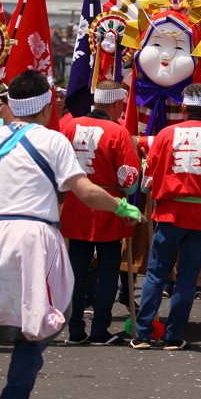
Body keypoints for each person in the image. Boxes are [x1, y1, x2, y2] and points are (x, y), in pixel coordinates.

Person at [0, 70, 141, 399]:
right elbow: (84, 191)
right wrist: (121, 206)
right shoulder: (53, 142)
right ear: (47, 104)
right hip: (36, 238)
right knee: (32, 333)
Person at [132, 83, 201, 351]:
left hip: (169, 213)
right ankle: (173, 336)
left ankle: (143, 335)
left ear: (183, 107)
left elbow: (147, 183)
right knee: (187, 280)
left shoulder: (166, 135)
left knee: (156, 275)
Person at [59, 80, 141, 346]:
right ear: (117, 103)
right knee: (108, 270)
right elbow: (128, 180)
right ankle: (100, 330)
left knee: (77, 268)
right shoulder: (118, 132)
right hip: (108, 205)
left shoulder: (68, 125)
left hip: (75, 203)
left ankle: (74, 329)